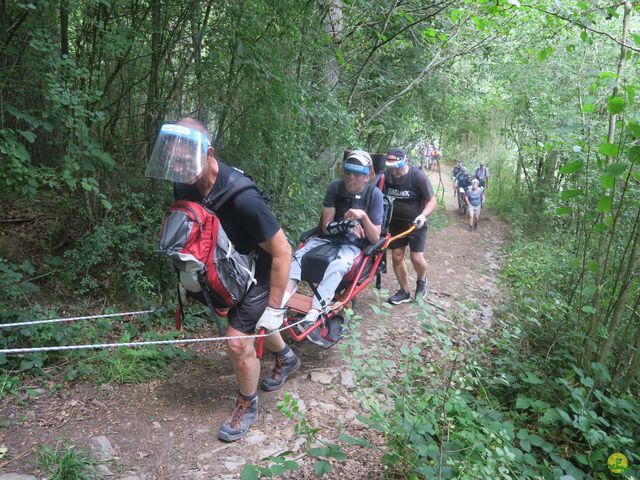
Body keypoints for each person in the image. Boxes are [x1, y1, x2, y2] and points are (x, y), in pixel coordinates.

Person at [145, 118, 295, 442]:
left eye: (186, 161)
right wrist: (187, 281)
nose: (179, 168)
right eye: (175, 161)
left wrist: (274, 308)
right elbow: (193, 235)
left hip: (261, 273)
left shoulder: (244, 198)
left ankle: (247, 404)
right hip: (228, 270)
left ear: (208, 153)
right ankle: (286, 356)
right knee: (249, 330)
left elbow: (284, 251)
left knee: (238, 342)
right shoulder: (184, 185)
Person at [283, 150, 384, 345]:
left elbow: (374, 237)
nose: (351, 177)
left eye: (357, 173)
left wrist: (363, 216)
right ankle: (279, 304)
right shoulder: (334, 188)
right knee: (296, 258)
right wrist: (345, 225)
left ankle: (313, 314)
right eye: (348, 171)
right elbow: (326, 227)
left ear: (367, 176)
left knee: (338, 265)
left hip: (354, 247)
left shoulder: (375, 196)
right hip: (327, 239)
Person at [384, 147, 437, 304]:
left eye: (396, 167)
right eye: (390, 168)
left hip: (416, 224)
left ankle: (421, 281)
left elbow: (432, 201)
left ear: (405, 162)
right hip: (396, 224)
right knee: (397, 256)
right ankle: (404, 291)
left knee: (416, 258)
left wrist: (423, 215)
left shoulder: (417, 176)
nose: (394, 172)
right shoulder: (386, 176)